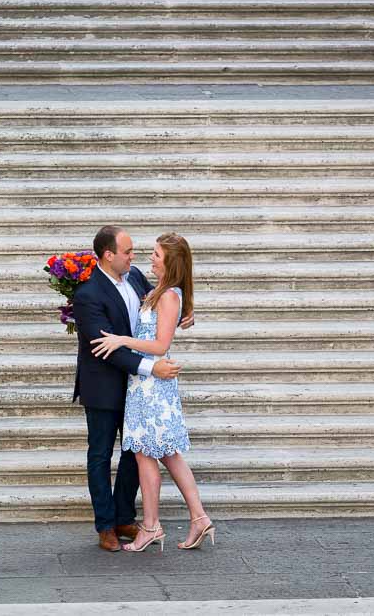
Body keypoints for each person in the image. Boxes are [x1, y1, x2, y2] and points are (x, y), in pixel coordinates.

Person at [90, 232, 214, 552]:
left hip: (152, 384)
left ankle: (153, 527)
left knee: (151, 455)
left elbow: (160, 345)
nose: (149, 258)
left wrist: (122, 340)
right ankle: (195, 519)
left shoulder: (168, 294)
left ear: (169, 261)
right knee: (164, 455)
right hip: (144, 384)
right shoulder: (154, 288)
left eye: (156, 254)